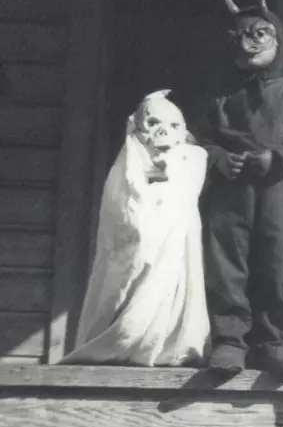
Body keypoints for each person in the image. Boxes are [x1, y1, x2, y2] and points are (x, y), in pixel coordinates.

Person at [199, 0, 283, 375]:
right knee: (227, 261)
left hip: (279, 192)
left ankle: (273, 341)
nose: (247, 43)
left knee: (277, 260)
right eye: (238, 36)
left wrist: (278, 157)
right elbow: (199, 138)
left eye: (258, 34)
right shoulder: (221, 97)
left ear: (278, 40)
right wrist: (218, 157)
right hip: (230, 193)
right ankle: (230, 340)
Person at [62, 90, 211, 366]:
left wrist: (169, 168)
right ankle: (122, 337)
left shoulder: (191, 159)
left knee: (169, 278)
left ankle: (163, 343)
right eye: (153, 124)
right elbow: (123, 208)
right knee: (128, 278)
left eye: (173, 126)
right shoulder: (128, 162)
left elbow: (183, 196)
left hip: (172, 244)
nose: (163, 132)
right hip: (135, 244)